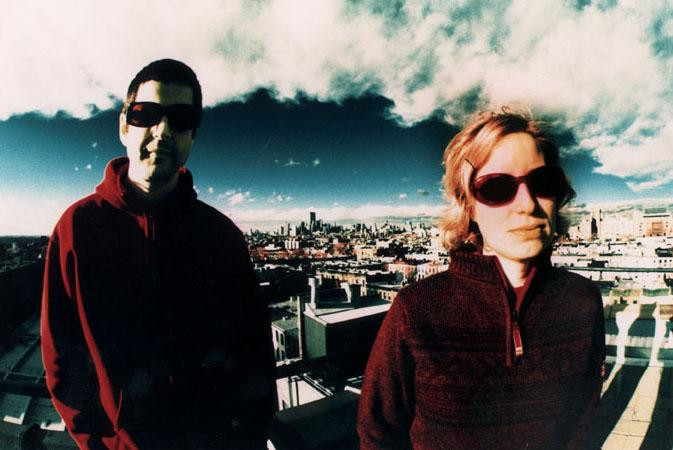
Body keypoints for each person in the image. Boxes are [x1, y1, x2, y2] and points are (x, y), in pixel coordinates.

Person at [41, 59, 276, 450]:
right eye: (146, 114)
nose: (163, 131)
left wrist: (244, 438)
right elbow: (61, 356)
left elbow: (255, 357)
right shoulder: (76, 229)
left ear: (192, 136)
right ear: (124, 126)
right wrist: (101, 444)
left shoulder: (221, 236)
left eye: (181, 119)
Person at [357, 107, 605, 449]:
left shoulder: (582, 300)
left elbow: (584, 414)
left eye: (543, 183)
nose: (527, 204)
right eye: (497, 187)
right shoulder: (416, 309)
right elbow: (378, 432)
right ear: (468, 207)